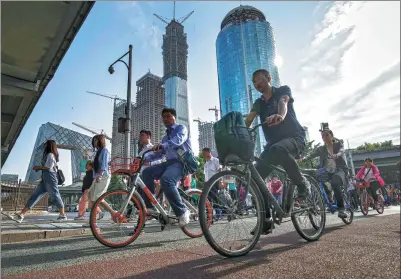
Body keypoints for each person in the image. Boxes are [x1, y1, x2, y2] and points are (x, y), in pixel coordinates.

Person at [245, 69, 309, 234]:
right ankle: (266, 219)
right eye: (254, 82)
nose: (257, 83)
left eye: (260, 79)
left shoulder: (282, 90)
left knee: (279, 149)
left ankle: (302, 184)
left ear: (268, 78)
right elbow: (249, 119)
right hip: (273, 145)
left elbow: (284, 102)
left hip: (294, 137)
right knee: (255, 176)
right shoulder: (259, 103)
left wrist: (280, 115)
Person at [141, 108, 192, 227]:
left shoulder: (181, 128)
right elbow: (159, 154)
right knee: (147, 172)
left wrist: (163, 145)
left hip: (182, 163)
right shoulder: (165, 137)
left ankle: (183, 211)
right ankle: (151, 205)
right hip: (169, 163)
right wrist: (144, 159)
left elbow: (178, 140)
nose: (165, 119)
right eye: (164, 117)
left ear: (174, 117)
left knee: (166, 180)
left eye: (168, 116)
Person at [8, 140, 67, 223]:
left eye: (46, 144)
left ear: (49, 145)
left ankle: (63, 215)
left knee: (55, 195)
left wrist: (38, 167)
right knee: (35, 195)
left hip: (50, 177)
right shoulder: (48, 155)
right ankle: (21, 215)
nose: (44, 145)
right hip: (45, 178)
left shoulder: (50, 155)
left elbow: (48, 167)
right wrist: (39, 168)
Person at [302, 129, 348, 218]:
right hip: (327, 171)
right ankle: (322, 200)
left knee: (335, 183)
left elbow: (342, 150)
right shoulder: (321, 149)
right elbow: (311, 155)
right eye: (323, 136)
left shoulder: (338, 144)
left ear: (332, 135)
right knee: (316, 179)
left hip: (340, 170)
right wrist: (303, 159)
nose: (324, 137)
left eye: (326, 135)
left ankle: (341, 209)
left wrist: (337, 154)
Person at [88, 134, 114, 219]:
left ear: (100, 141)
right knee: (91, 195)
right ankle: (96, 217)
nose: (94, 142)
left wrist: (100, 175)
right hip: (97, 176)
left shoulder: (104, 151)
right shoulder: (98, 151)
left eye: (95, 140)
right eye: (94, 140)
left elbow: (104, 165)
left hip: (103, 176)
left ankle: (112, 213)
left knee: (97, 197)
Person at [202, 147, 221, 217]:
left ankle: (218, 213)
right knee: (207, 200)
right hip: (207, 183)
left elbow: (219, 171)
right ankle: (209, 215)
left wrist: (220, 181)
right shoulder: (205, 164)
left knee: (215, 198)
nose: (203, 155)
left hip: (214, 182)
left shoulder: (216, 160)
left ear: (208, 152)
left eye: (204, 153)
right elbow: (205, 175)